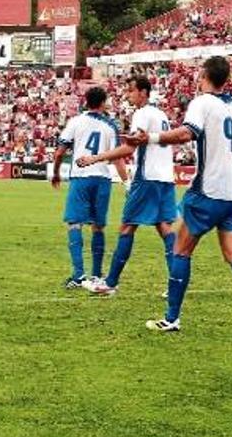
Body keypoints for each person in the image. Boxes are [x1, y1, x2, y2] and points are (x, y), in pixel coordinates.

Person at [124, 56, 232, 339]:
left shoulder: (202, 103)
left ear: (205, 76)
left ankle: (171, 318)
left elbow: (187, 133)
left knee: (180, 250)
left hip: (209, 191)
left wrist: (152, 138)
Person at [75, 76, 177, 296]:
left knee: (127, 226)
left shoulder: (142, 114)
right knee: (165, 228)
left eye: (131, 91)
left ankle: (110, 283)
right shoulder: (161, 114)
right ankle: (175, 282)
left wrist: (96, 158)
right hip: (166, 177)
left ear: (143, 92)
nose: (128, 95)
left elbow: (129, 148)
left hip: (147, 177)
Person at [52, 87, 129, 288]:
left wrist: (56, 173)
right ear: (103, 103)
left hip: (81, 177)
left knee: (74, 224)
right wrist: (127, 183)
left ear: (86, 102)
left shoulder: (76, 122)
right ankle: (96, 275)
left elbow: (60, 152)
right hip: (103, 178)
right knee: (98, 226)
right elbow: (118, 157)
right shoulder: (111, 126)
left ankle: (78, 275)